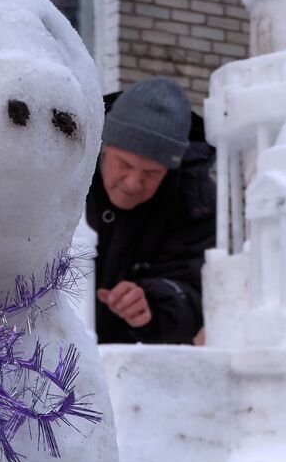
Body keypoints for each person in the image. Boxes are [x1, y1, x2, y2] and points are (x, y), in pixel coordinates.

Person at [86, 77, 216, 344]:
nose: (133, 183)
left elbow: (195, 290)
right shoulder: (67, 168)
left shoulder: (195, 200)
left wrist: (151, 306)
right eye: (124, 163)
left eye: (151, 173)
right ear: (104, 148)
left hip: (134, 363)